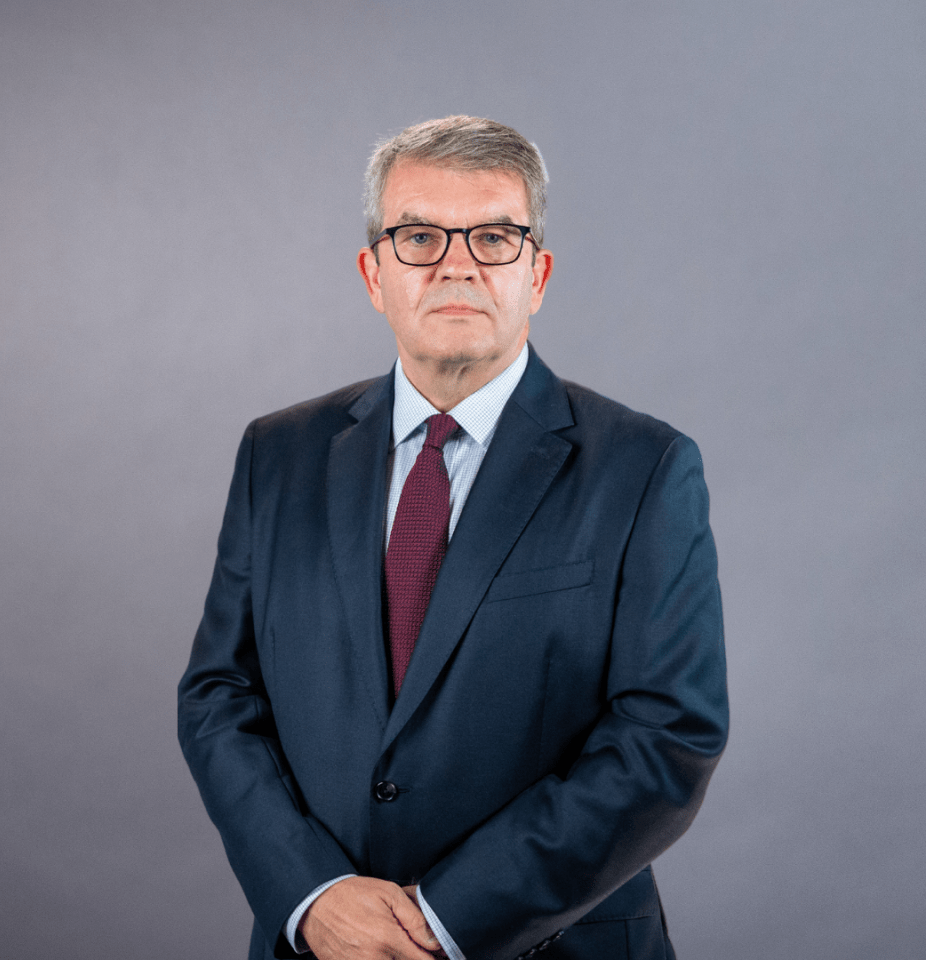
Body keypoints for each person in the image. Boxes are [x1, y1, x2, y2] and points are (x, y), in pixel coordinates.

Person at [178, 115, 728, 960]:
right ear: (373, 273)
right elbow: (220, 694)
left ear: (537, 274)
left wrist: (444, 920)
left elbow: (668, 733)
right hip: (319, 941)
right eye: (420, 235)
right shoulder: (277, 454)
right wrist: (311, 893)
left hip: (551, 944)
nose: (458, 262)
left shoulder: (646, 468)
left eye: (495, 236)